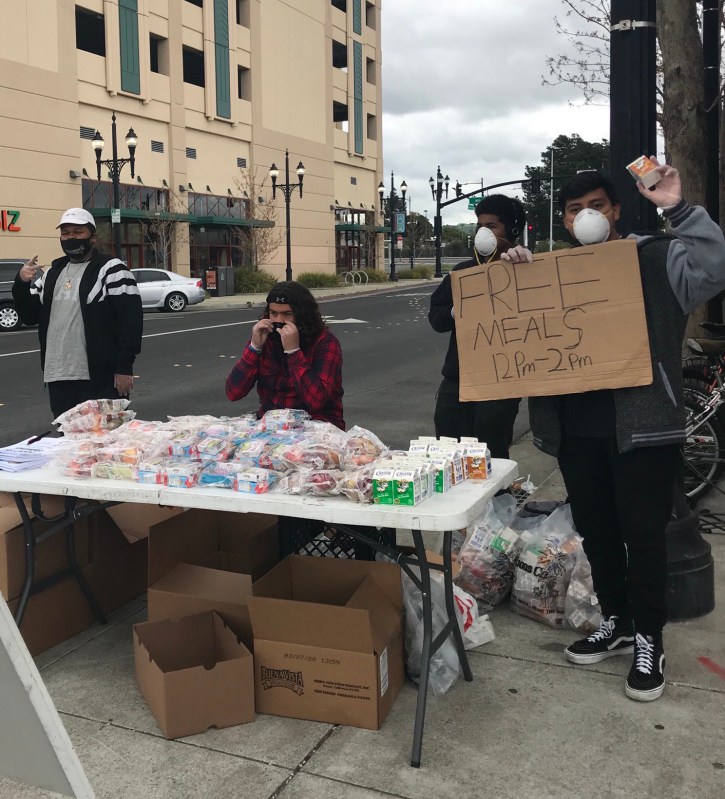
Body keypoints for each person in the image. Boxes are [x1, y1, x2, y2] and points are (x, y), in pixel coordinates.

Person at [522, 161, 725, 702]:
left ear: (615, 210)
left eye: (595, 205)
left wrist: (677, 208)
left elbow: (716, 265)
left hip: (642, 429)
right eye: (573, 209)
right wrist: (509, 270)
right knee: (599, 532)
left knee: (645, 537)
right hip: (578, 432)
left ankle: (649, 640)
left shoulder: (658, 259)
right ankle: (617, 621)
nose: (585, 216)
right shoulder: (551, 274)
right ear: (563, 221)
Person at [13, 208, 143, 419]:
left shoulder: (112, 269)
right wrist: (21, 283)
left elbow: (130, 322)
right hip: (58, 375)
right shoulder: (52, 274)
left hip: (99, 377)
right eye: (65, 233)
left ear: (93, 237)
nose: (71, 237)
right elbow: (30, 316)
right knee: (69, 445)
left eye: (77, 232)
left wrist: (124, 367)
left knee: (107, 442)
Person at [428, 194, 528, 457]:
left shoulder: (525, 269)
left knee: (490, 454)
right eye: (479, 226)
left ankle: (497, 498)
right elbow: (436, 319)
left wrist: (527, 268)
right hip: (457, 381)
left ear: (512, 230)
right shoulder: (462, 273)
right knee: (448, 451)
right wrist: (455, 310)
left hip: (500, 383)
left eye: (492, 226)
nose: (483, 233)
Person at [226, 280, 345, 429]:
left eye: (287, 314)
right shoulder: (266, 338)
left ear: (302, 315)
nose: (279, 321)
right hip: (273, 424)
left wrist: (293, 352)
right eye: (273, 313)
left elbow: (316, 400)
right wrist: (254, 348)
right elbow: (233, 392)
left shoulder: (325, 342)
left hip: (316, 426)